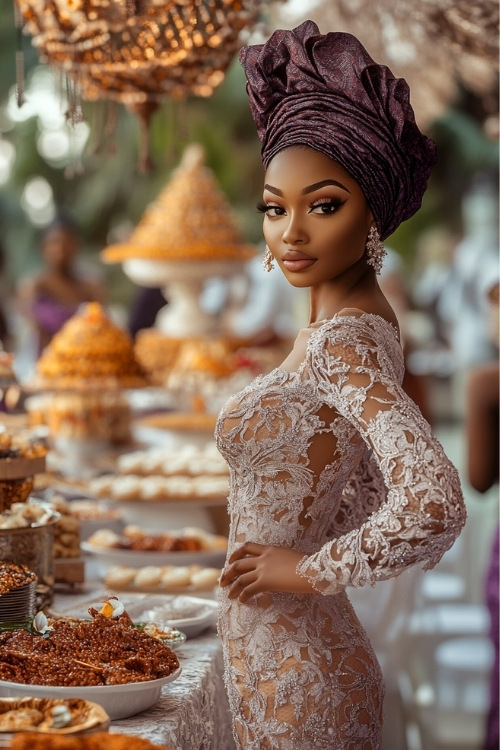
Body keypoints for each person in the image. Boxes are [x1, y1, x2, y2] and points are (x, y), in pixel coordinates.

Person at [216, 21, 466, 749]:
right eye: (274, 206)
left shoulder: (346, 343)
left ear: (372, 215)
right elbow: (367, 484)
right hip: (282, 655)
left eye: (323, 204)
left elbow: (432, 504)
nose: (290, 232)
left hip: (301, 673)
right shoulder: (346, 329)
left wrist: (304, 569)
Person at [17, 216, 105, 355]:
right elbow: (31, 333)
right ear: (43, 247)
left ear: (77, 245)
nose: (60, 249)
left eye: (67, 242)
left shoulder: (91, 287)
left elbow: (101, 329)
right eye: (54, 242)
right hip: (45, 365)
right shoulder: (33, 287)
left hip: (84, 362)